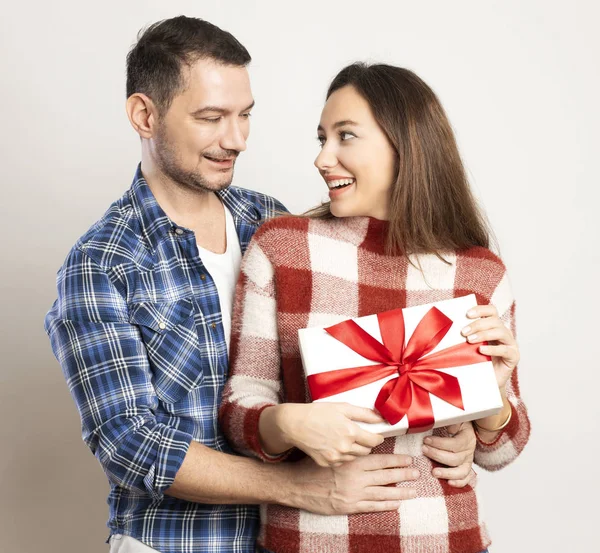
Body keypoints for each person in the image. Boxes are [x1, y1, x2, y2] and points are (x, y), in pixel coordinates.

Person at [44, 18, 478, 553]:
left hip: (293, 541)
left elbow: (355, 367)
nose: (238, 139)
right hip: (180, 544)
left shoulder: (271, 224)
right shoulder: (100, 265)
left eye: (245, 115)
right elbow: (133, 446)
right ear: (144, 115)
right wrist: (295, 488)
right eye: (211, 118)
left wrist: (459, 430)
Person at [220, 62, 531, 553]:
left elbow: (504, 452)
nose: (323, 158)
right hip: (309, 538)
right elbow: (240, 409)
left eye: (345, 136)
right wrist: (287, 424)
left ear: (404, 144)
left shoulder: (480, 273)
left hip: (445, 538)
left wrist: (491, 400)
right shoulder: (282, 249)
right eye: (322, 138)